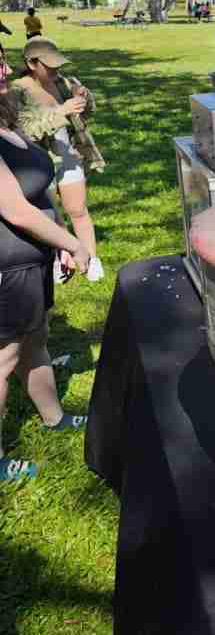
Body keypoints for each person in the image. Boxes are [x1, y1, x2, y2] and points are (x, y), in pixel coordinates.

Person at [0, 87, 90, 480]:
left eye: (1, 59)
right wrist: (74, 243)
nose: (2, 69)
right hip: (7, 270)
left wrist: (58, 240)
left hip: (32, 261)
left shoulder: (7, 122)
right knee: (3, 361)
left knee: (36, 338)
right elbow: (16, 211)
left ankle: (54, 416)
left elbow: (36, 195)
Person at [13, 38, 106, 282]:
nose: (56, 70)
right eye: (49, 65)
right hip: (38, 161)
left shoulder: (65, 82)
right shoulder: (18, 91)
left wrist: (86, 99)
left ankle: (91, 258)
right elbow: (28, 132)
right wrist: (61, 112)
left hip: (68, 153)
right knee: (51, 216)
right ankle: (59, 259)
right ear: (32, 64)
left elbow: (87, 115)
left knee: (78, 210)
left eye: (57, 64)